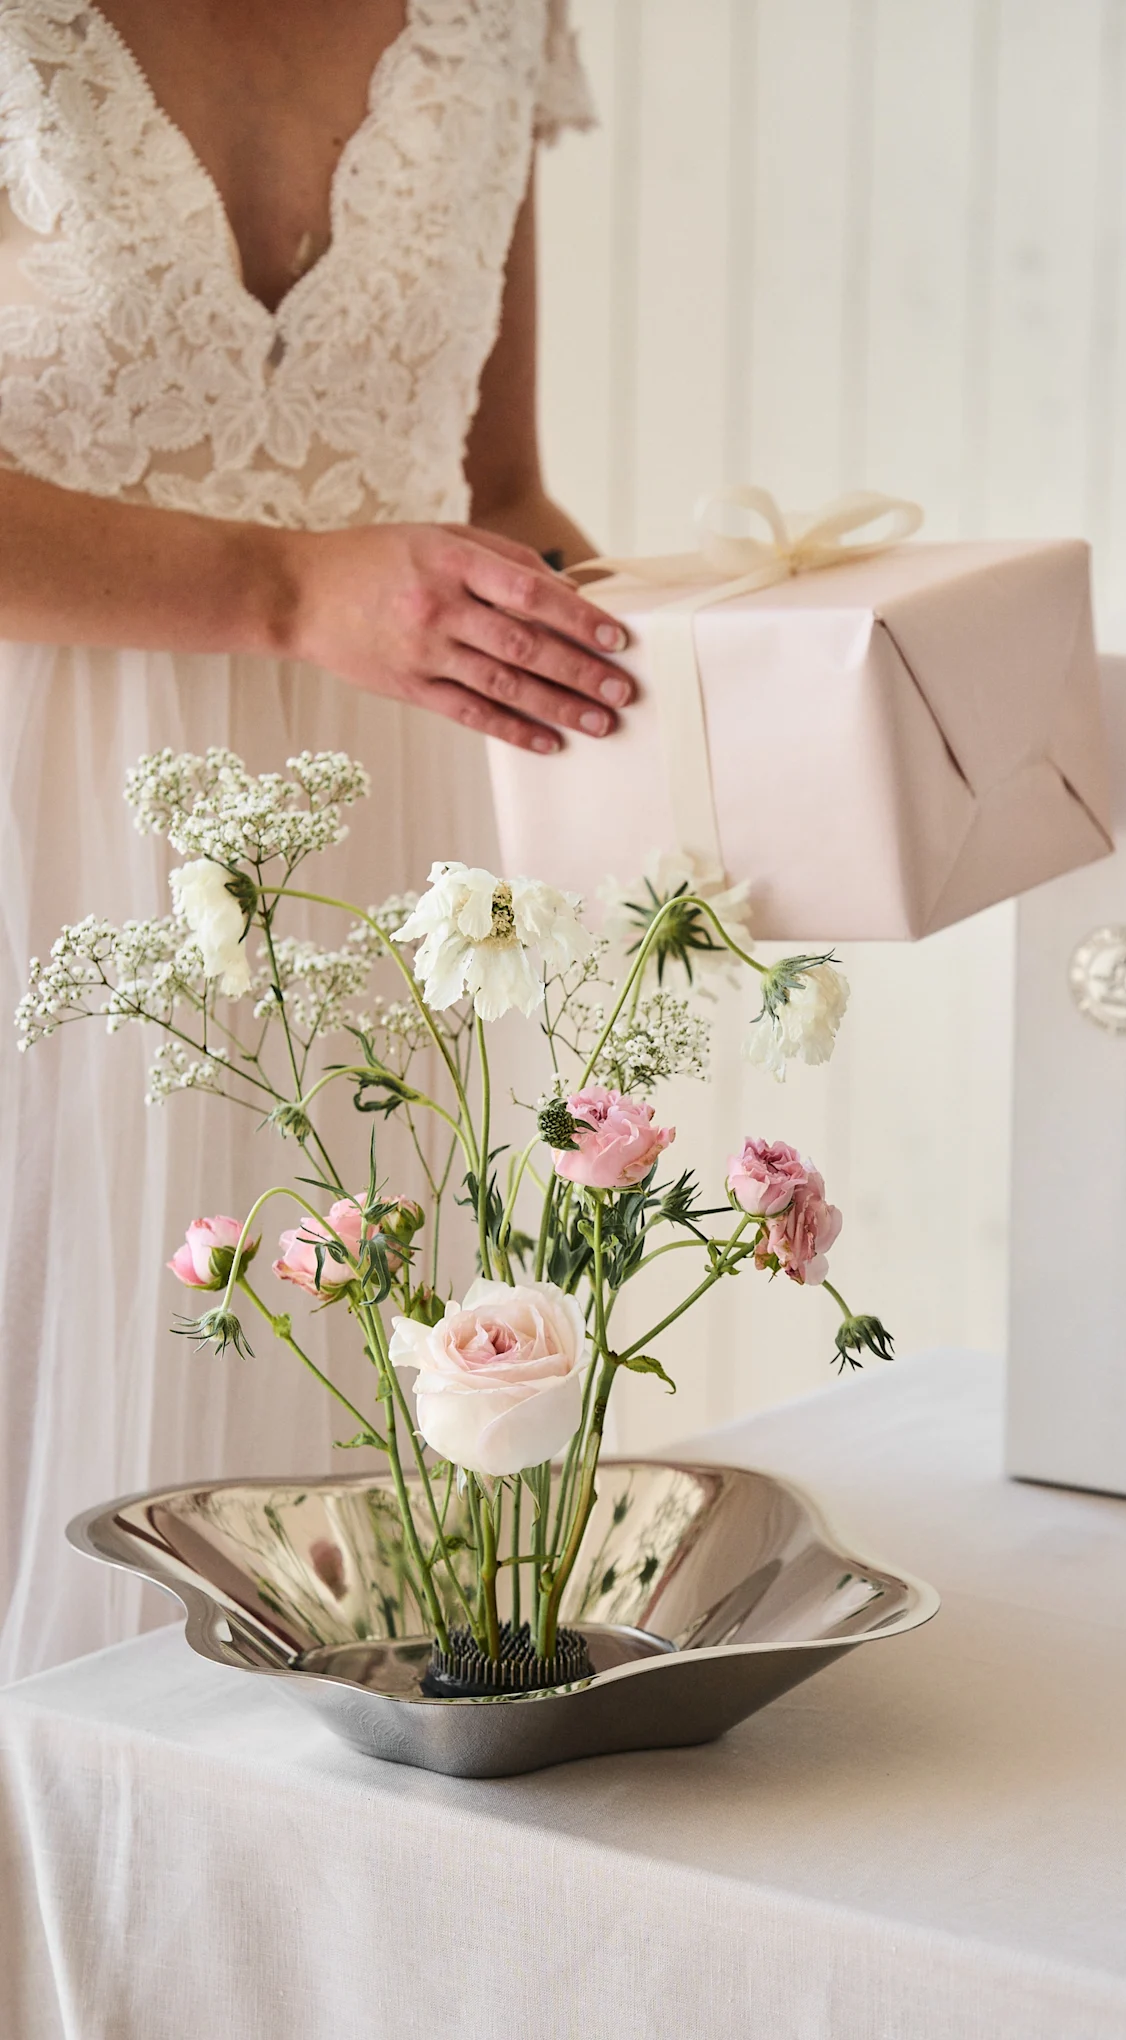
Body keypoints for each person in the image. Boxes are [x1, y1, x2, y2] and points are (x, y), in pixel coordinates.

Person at [0, 0, 620, 1678]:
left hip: (379, 862)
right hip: (40, 844)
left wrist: (723, 689)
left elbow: (495, 494)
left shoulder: (499, 15)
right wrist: (282, 587)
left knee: (355, 1467)